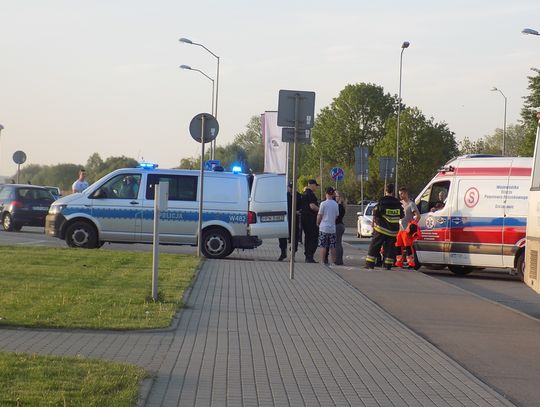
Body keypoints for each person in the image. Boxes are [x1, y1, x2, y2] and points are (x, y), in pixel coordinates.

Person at [365, 183, 404, 270]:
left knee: (375, 245)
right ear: (393, 191)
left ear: (385, 191)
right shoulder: (398, 203)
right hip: (393, 230)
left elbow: (376, 212)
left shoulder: (382, 201)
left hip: (381, 229)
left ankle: (370, 263)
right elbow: (402, 215)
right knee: (390, 248)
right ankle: (388, 265)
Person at [395, 187, 420, 268]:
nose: (400, 196)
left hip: (407, 230)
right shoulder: (399, 203)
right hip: (400, 229)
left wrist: (413, 225)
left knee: (408, 246)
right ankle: (399, 262)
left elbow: (418, 216)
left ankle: (411, 263)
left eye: (401, 194)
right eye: (399, 194)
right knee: (398, 246)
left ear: (406, 193)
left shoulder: (411, 204)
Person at [278, 182, 302, 261]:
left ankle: (293, 255)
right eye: (290, 187)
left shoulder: (299, 196)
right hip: (285, 220)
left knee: (294, 238)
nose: (291, 189)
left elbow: (302, 207)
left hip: (294, 220)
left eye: (292, 187)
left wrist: (299, 211)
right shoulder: (284, 196)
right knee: (282, 237)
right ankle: (283, 253)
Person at [317, 186, 339, 266]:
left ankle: (322, 261)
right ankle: (333, 262)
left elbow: (319, 215)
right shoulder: (335, 204)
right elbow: (337, 216)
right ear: (333, 194)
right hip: (332, 228)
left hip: (324, 227)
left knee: (323, 245)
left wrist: (318, 223)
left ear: (326, 193)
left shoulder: (323, 204)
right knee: (332, 246)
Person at [301, 179, 320, 263]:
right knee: (313, 238)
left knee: (307, 237)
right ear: (312, 185)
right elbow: (312, 206)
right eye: (316, 185)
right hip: (311, 219)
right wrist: (321, 210)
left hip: (304, 218)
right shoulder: (310, 194)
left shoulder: (304, 194)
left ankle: (307, 256)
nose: (316, 187)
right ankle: (310, 256)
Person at [334, 190, 346, 265]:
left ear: (340, 197)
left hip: (338, 226)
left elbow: (336, 217)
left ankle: (338, 260)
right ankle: (339, 260)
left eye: (336, 196)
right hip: (340, 225)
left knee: (337, 243)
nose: (335, 197)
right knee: (338, 243)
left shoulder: (339, 206)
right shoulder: (341, 206)